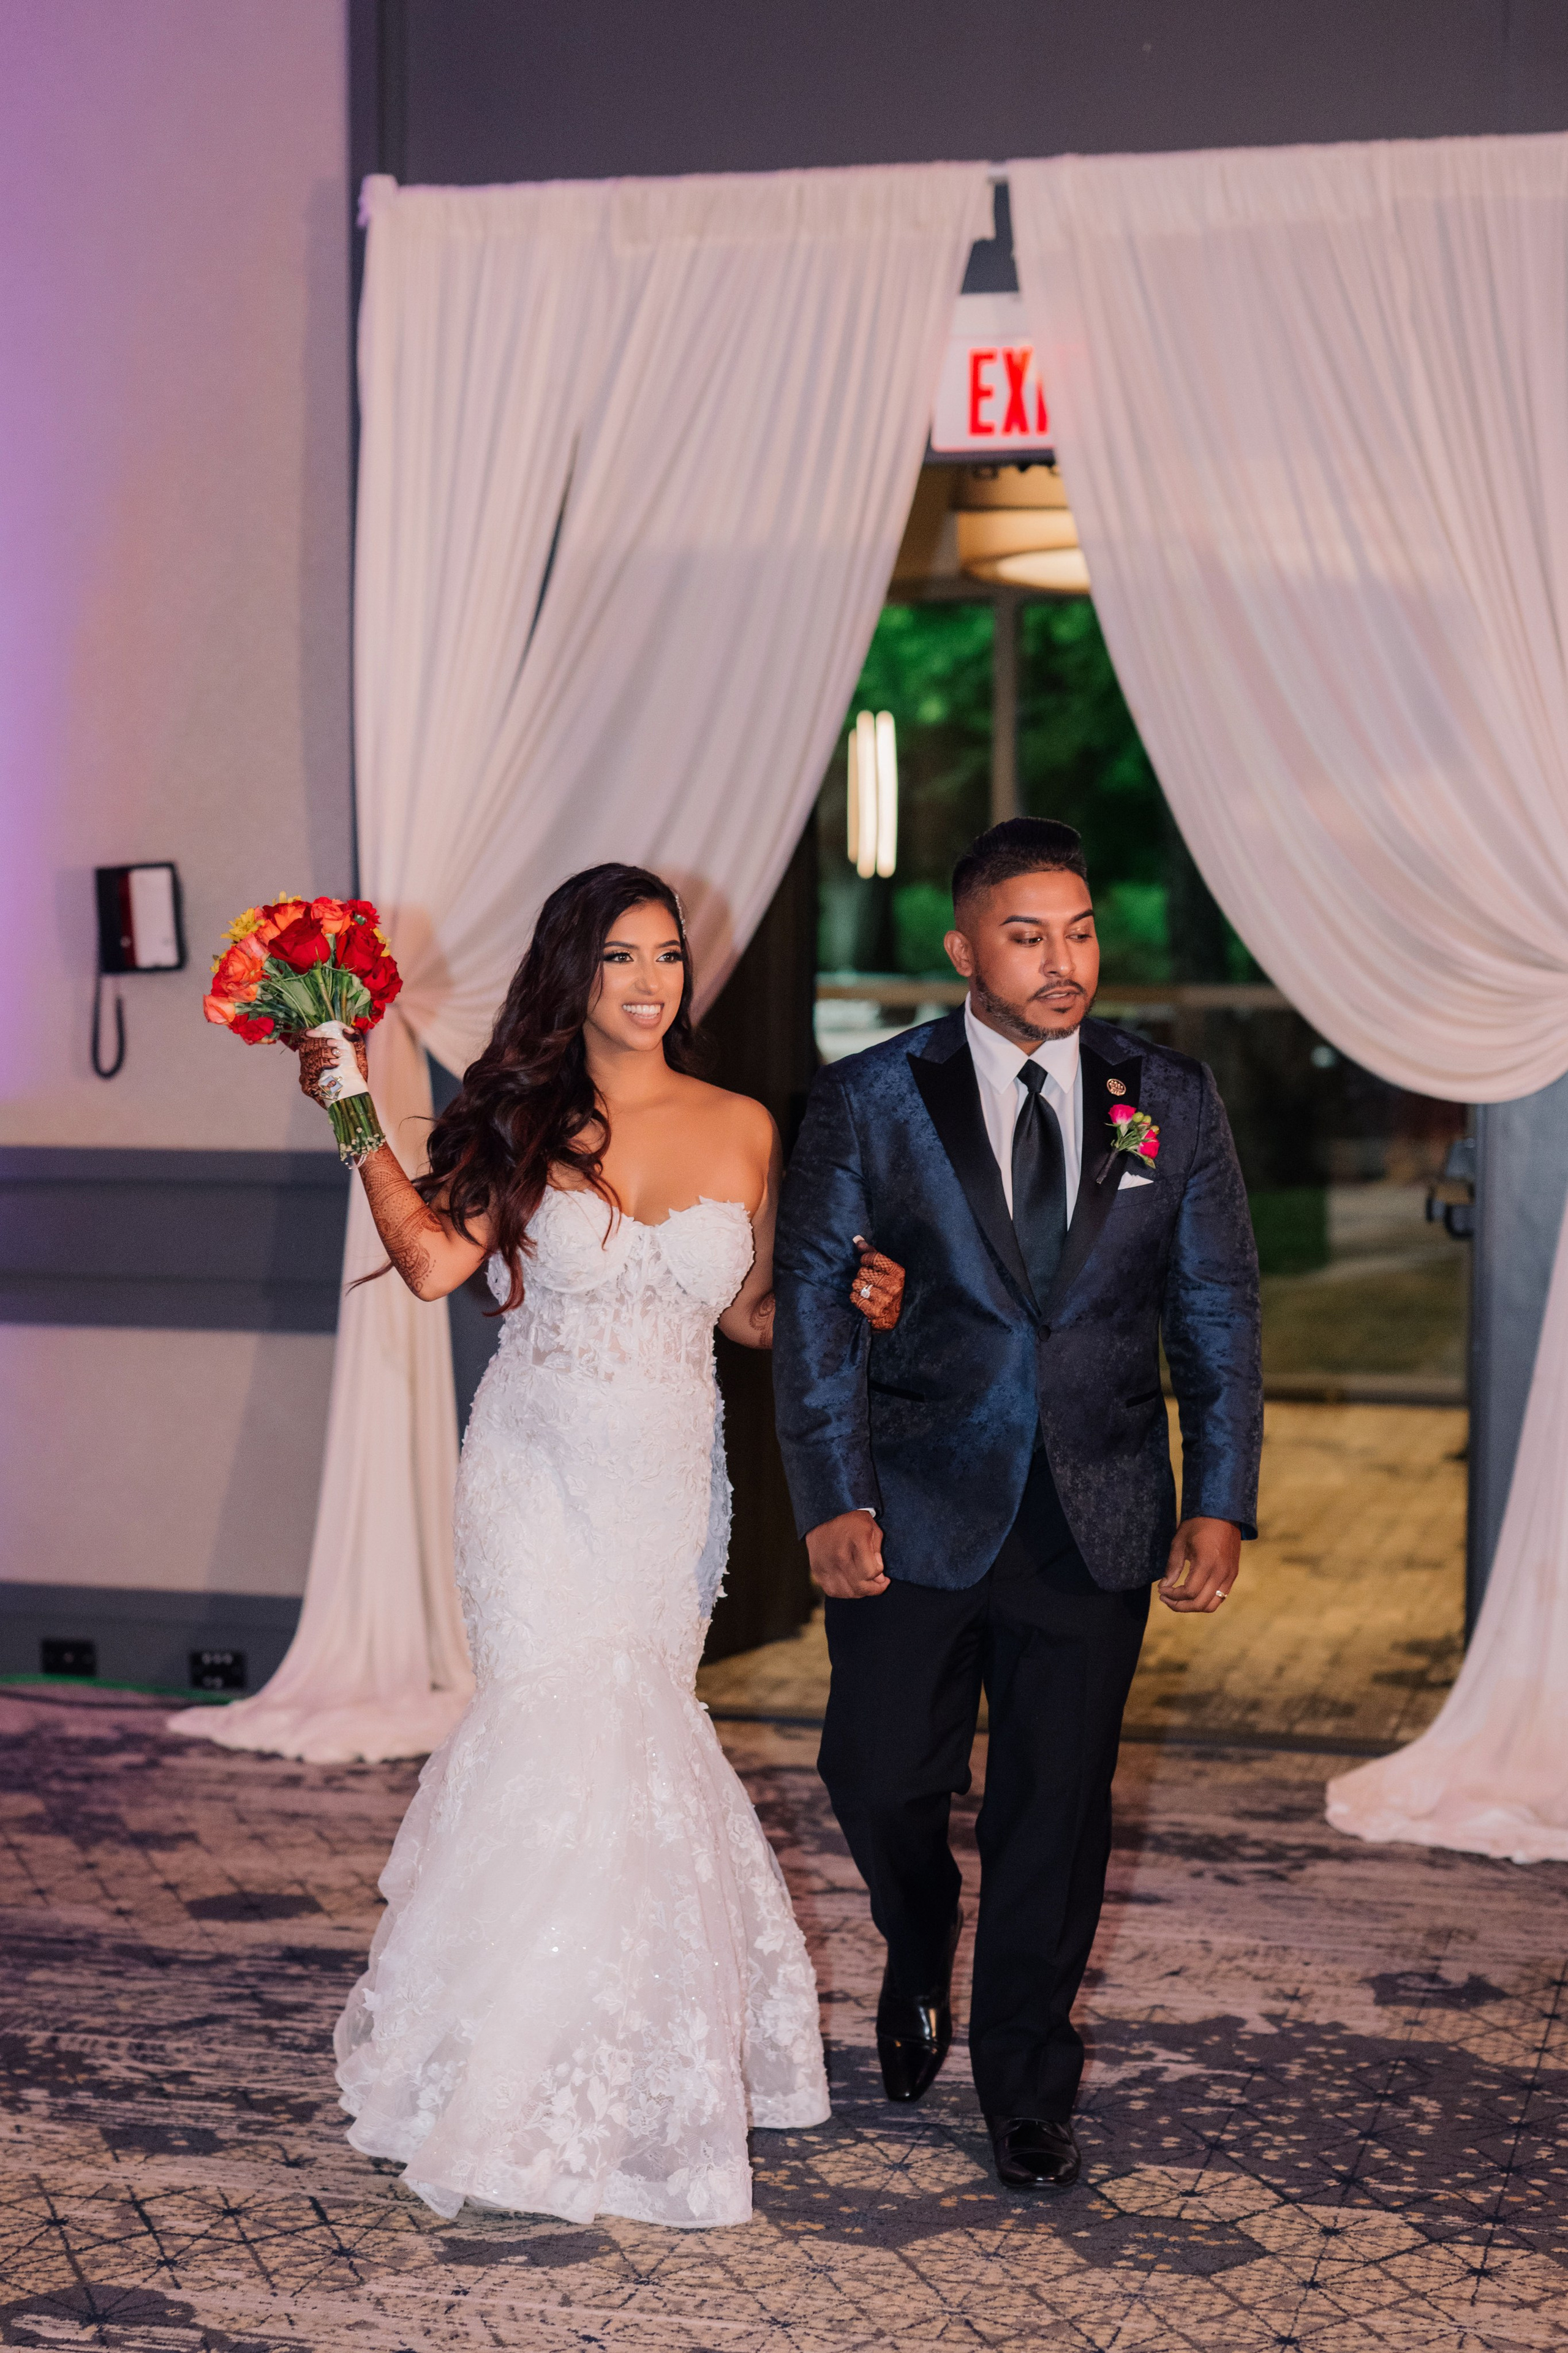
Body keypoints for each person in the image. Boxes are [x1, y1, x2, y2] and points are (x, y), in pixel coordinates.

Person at [292, 864, 881, 2230]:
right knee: (550, 1731)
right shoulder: (522, 1113)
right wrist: (346, 1108)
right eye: (620, 955)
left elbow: (745, 1318)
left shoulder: (742, 1124)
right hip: (531, 1474)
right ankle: (504, 2067)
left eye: (666, 955)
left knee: (638, 1733)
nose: (649, 979)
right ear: (576, 971)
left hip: (666, 1483)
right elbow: (438, 1267)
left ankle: (623, 2063)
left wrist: (849, 1300)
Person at [772, 817, 1263, 2194]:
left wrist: (1218, 1496)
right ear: (962, 949)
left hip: (1097, 1509)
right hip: (915, 1497)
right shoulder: (869, 1096)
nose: (1064, 962)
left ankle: (1025, 2089)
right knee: (874, 1778)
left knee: (1054, 1809)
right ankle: (917, 1941)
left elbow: (1215, 1303)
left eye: (1082, 930)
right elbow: (814, 1300)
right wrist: (831, 1494)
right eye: (1028, 934)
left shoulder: (1166, 1095)